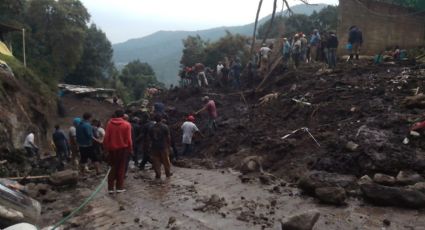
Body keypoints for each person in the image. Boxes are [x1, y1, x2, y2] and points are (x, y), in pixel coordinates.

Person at [103, 110, 133, 193]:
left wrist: (105, 149)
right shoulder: (127, 124)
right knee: (121, 168)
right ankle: (119, 187)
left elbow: (106, 138)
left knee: (112, 168)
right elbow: (129, 139)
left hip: (112, 149)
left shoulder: (109, 123)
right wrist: (130, 149)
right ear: (123, 115)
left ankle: (110, 188)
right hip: (123, 149)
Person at [148, 114, 172, 179]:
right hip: (163, 146)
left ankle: (158, 175)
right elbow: (168, 137)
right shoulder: (165, 127)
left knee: (156, 162)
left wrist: (149, 147)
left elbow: (149, 138)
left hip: (154, 147)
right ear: (161, 119)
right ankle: (168, 174)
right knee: (166, 161)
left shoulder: (151, 127)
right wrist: (169, 146)